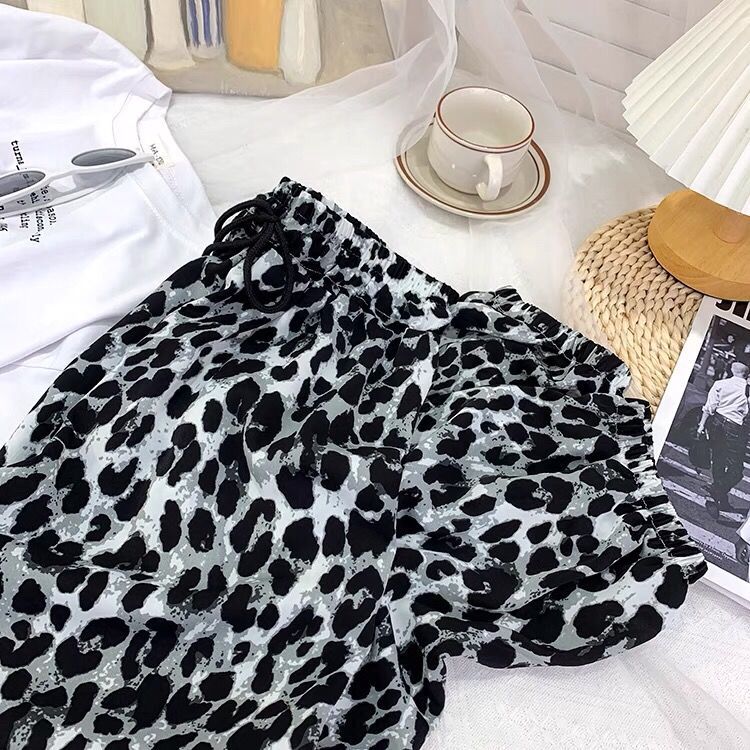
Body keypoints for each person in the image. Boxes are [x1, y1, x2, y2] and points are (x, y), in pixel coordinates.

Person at [697, 361, 750, 514]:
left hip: (717, 423)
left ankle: (721, 498)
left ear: (731, 371)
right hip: (735, 428)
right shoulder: (747, 390)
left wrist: (701, 425)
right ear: (746, 374)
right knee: (736, 470)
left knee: (718, 460)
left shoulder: (720, 384)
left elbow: (709, 407)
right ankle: (716, 490)